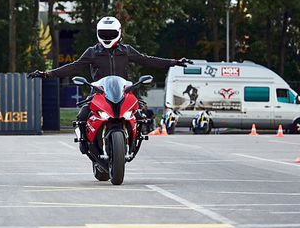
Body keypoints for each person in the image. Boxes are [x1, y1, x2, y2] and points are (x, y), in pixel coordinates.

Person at [28, 16, 189, 145]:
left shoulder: (126, 51)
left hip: (123, 92)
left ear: (118, 33)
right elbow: (73, 67)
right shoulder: (92, 52)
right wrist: (46, 74)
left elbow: (148, 60)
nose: (107, 37)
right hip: (98, 93)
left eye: (110, 33)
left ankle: (136, 139)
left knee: (140, 116)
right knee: (82, 116)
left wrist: (173, 62)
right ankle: (84, 142)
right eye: (104, 33)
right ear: (98, 33)